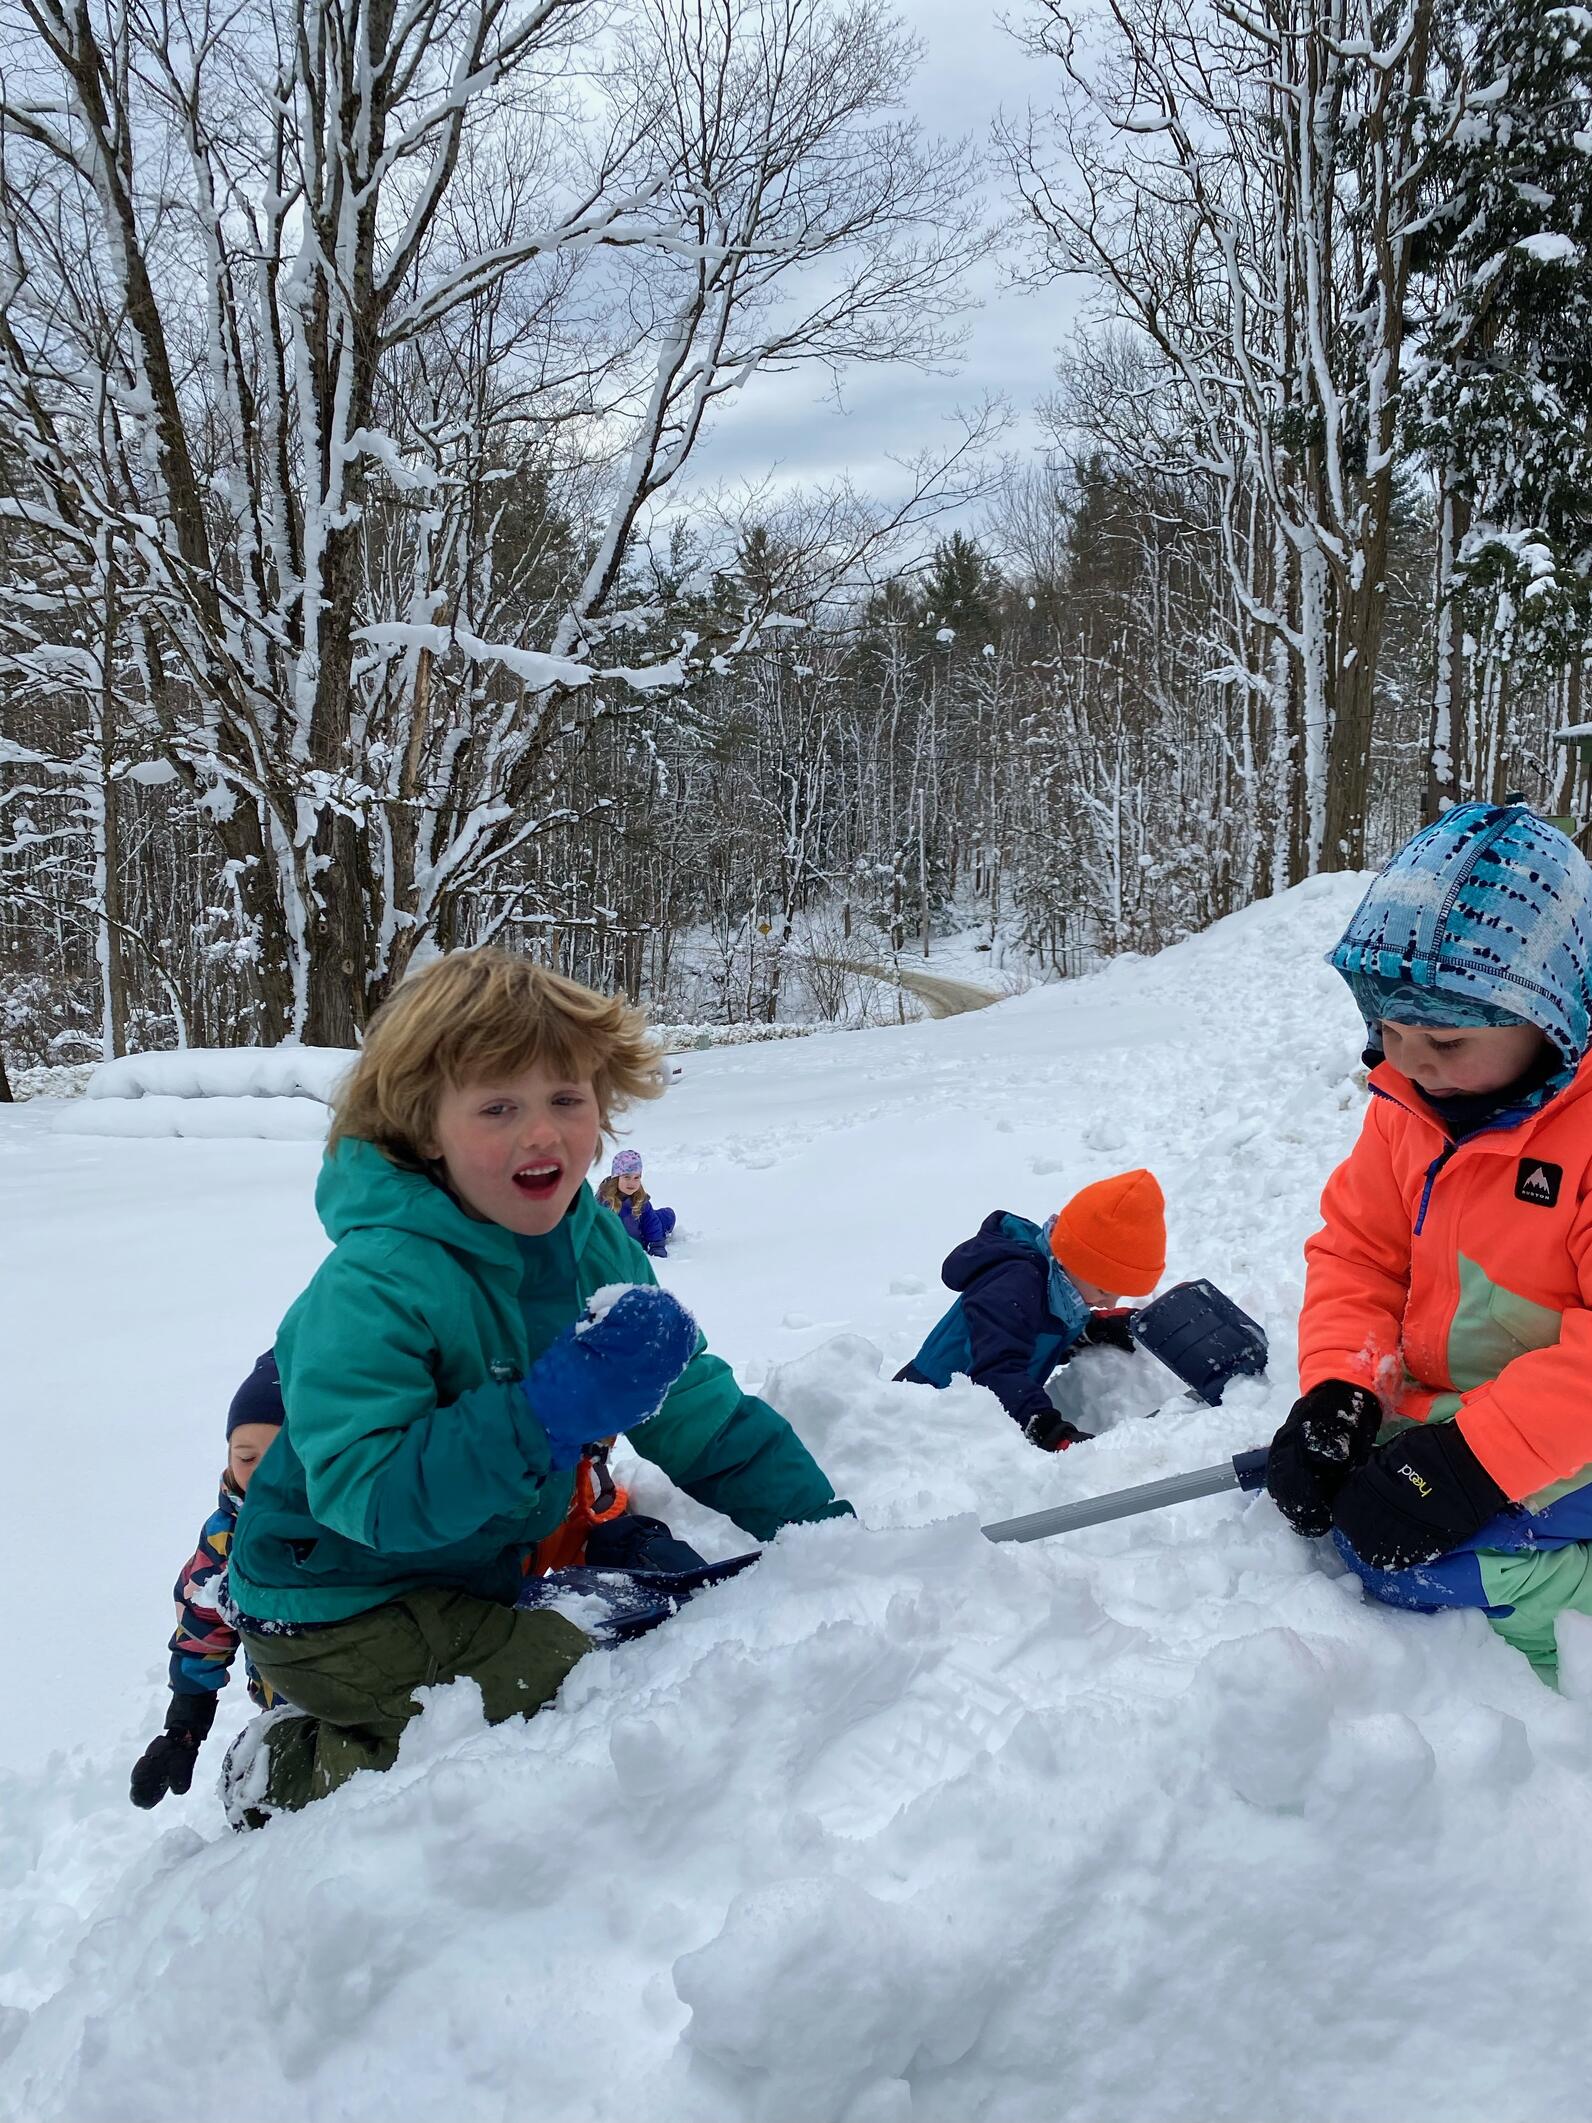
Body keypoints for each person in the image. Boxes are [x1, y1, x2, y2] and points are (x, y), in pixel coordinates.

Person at [223, 948, 849, 1823]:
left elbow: (697, 1411)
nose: (543, 1133)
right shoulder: (373, 1286)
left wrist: (827, 1536)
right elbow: (369, 1498)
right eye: (498, 1106)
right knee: (555, 1684)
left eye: (567, 1098)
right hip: (335, 1601)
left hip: (471, 1567)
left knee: (617, 1631)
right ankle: (287, 1764)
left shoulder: (592, 1242)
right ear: (423, 1126)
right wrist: (542, 1415)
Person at [1265, 802, 1592, 1683]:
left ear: (1553, 1016)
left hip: (1574, 1430)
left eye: (1446, 1039)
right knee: (1351, 1499)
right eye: (1392, 1033)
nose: (1412, 1062)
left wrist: (1470, 1467)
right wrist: (1341, 1390)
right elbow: (1359, 1255)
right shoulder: (1407, 1108)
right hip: (1478, 1407)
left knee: (1409, 1562)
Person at [894, 1170, 1166, 1450]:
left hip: (972, 1419)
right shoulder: (1013, 1286)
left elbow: (1030, 1341)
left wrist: (1093, 1331)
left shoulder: (1061, 1289)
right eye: (1103, 1291)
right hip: (925, 1415)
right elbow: (995, 1369)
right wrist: (1046, 1427)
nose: (1110, 1303)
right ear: (1074, 1261)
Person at [128, 1353, 285, 1809]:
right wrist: (183, 1731)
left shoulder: (348, 1520)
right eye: (245, 1456)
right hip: (288, 1706)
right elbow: (202, 1632)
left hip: (375, 1692)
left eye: (279, 1456)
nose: (259, 1471)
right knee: (248, 1794)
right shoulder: (225, 1538)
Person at [597, 1148, 677, 1257]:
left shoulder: (640, 1199)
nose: (632, 1183)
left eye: (636, 1178)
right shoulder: (604, 1201)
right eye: (627, 1177)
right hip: (618, 1243)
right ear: (616, 1178)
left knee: (666, 1216)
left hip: (642, 1237)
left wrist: (656, 1246)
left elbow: (652, 1224)